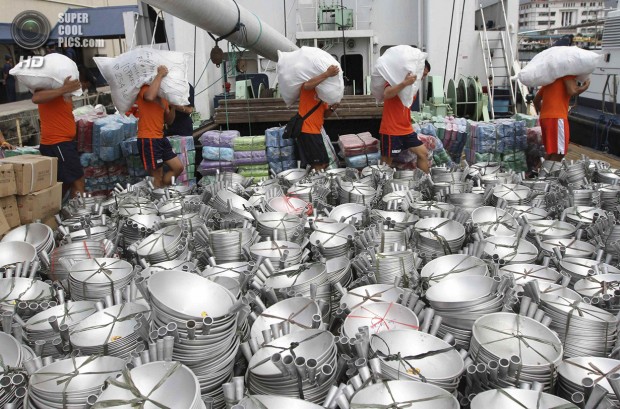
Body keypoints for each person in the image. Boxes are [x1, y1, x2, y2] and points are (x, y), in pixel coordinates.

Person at [32, 76, 85, 198]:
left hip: (63, 143)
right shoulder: (46, 88)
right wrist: (64, 89)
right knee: (78, 181)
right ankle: (80, 215)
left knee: (64, 183)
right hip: (58, 143)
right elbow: (36, 98)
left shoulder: (60, 91)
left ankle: (54, 212)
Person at [136, 65, 184, 188]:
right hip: (148, 138)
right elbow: (149, 97)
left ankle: (161, 188)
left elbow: (169, 121)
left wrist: (173, 107)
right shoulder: (145, 88)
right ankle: (159, 196)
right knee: (157, 175)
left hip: (160, 137)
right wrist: (160, 74)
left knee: (178, 167)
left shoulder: (163, 96)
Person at [380, 68, 430, 173]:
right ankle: (380, 187)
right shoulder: (394, 80)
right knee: (386, 164)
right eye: (423, 74)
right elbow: (387, 94)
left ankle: (426, 183)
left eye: (425, 75)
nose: (422, 77)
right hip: (391, 129)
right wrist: (405, 83)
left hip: (406, 129)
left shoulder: (414, 87)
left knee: (424, 154)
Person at [533, 76, 590, 160]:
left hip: (545, 118)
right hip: (557, 118)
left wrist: (546, 113)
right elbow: (572, 91)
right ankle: (550, 173)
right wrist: (586, 86)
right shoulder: (567, 75)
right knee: (560, 152)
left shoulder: (550, 80)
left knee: (552, 151)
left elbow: (536, 100)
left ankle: (542, 171)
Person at [297, 65, 340, 171]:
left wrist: (333, 108)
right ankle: (316, 185)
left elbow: (325, 115)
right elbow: (307, 86)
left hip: (316, 131)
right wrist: (327, 74)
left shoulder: (323, 94)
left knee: (323, 162)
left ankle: (313, 181)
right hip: (307, 130)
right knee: (319, 164)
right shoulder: (309, 87)